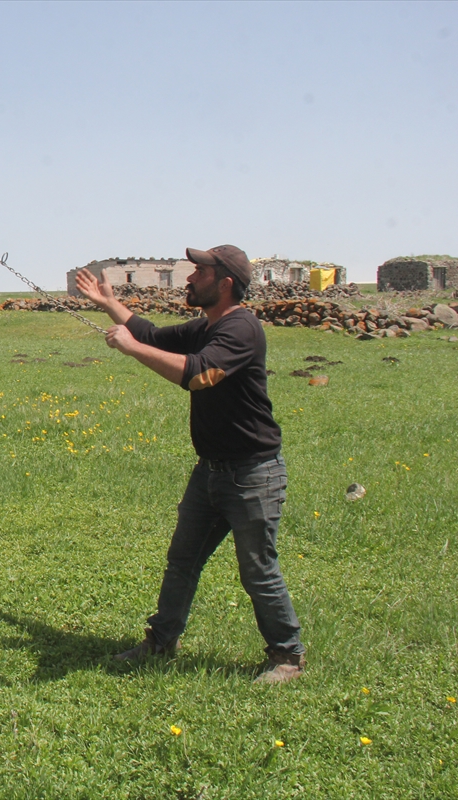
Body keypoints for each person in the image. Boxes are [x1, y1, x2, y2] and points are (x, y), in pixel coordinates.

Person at [74, 245, 305, 683]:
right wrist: (109, 304)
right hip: (211, 471)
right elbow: (153, 335)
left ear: (225, 283)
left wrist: (131, 349)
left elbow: (199, 375)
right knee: (182, 560)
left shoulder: (242, 328)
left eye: (200, 271)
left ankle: (287, 655)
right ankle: (162, 641)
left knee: (257, 569)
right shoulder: (207, 326)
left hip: (253, 474)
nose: (189, 277)